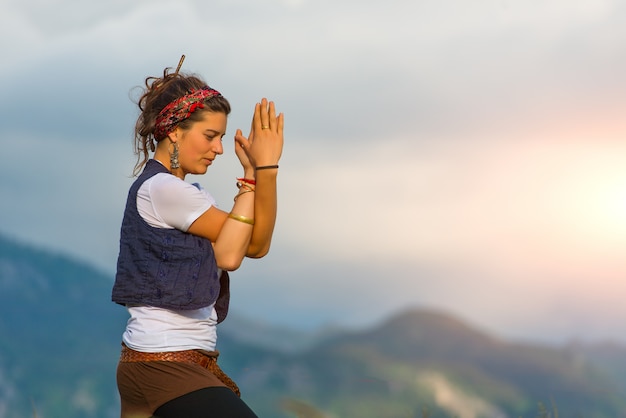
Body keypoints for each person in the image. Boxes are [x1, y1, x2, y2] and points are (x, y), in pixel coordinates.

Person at [111, 56, 284, 418]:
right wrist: (257, 174)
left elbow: (255, 245)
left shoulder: (189, 196)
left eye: (221, 137)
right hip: (164, 365)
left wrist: (260, 172)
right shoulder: (164, 190)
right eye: (210, 136)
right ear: (175, 130)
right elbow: (232, 256)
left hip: (165, 365)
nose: (219, 149)